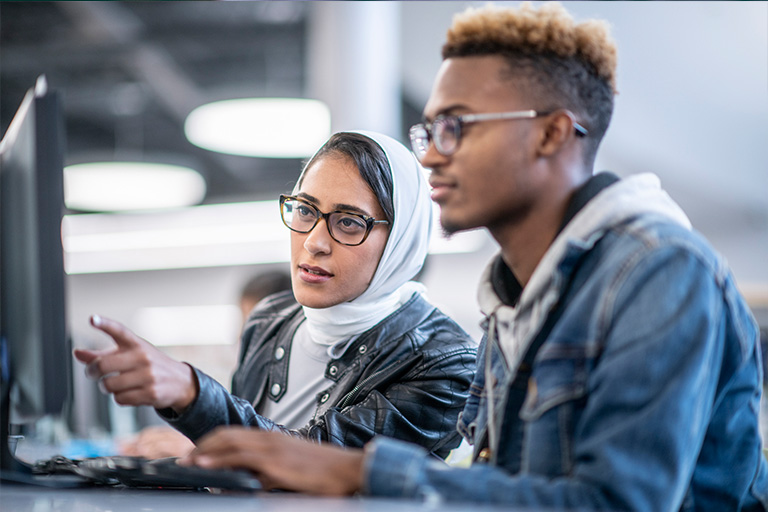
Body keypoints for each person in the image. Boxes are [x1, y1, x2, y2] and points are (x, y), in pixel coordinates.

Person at [179, 3, 768, 510]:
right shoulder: (513, 299)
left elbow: (615, 504)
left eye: (458, 126)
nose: (432, 156)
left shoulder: (660, 272)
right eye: (430, 129)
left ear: (552, 134)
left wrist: (359, 471)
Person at [74, 131, 477, 459]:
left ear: (400, 241)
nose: (315, 242)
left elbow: (322, 461)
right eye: (304, 210)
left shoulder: (446, 362)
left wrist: (193, 394)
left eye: (349, 222)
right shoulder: (270, 318)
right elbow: (239, 471)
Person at [117, 270, 293, 459]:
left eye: (257, 330)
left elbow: (285, 456)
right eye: (245, 327)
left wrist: (199, 450)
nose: (243, 337)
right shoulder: (251, 381)